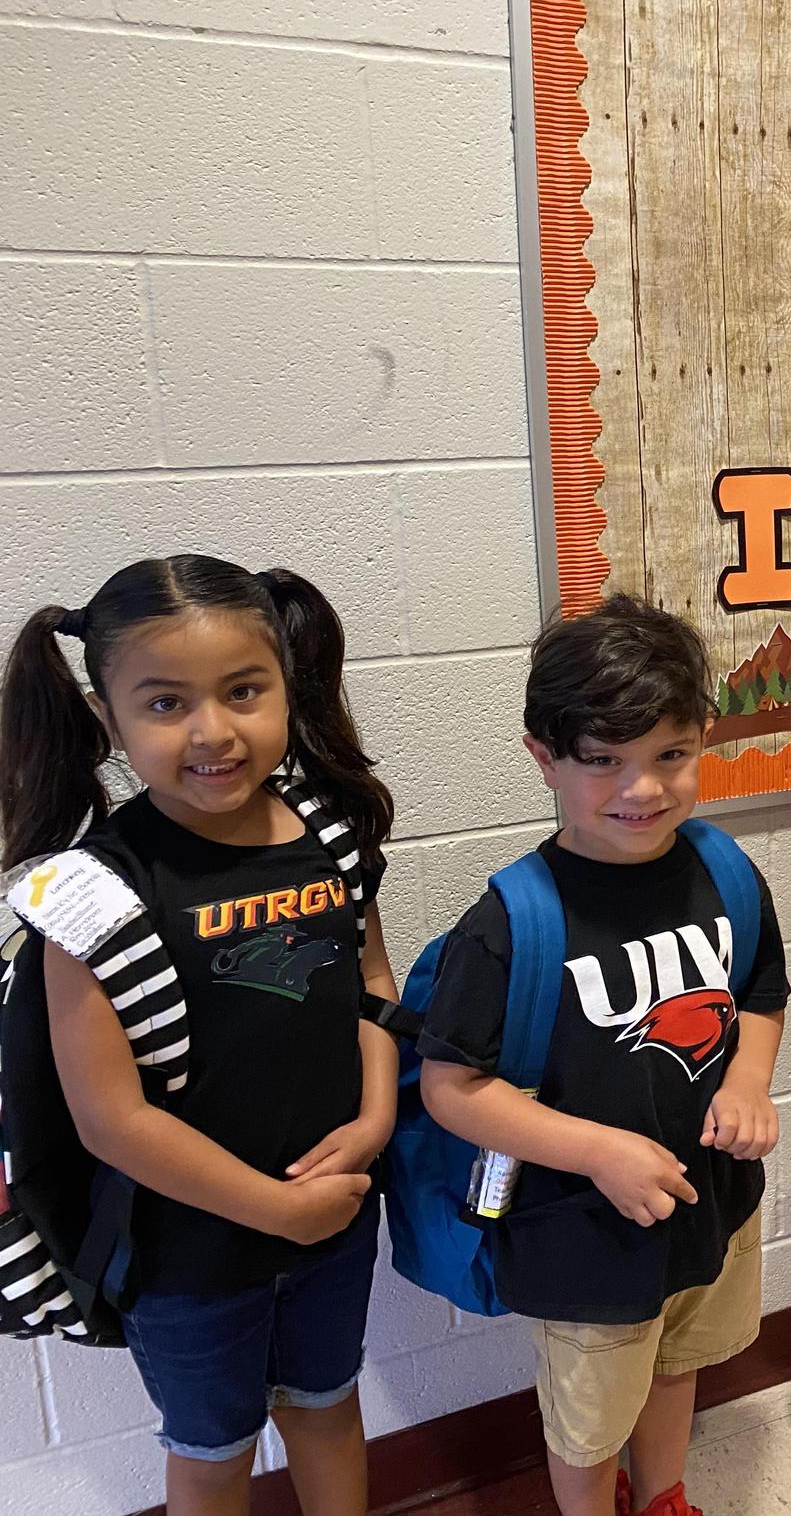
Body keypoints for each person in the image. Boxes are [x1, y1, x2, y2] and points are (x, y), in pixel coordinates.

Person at [1, 557, 397, 1516]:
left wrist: (377, 1114)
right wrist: (271, 1208)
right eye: (167, 702)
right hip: (187, 1258)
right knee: (214, 1452)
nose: (212, 731)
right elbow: (111, 1122)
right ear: (109, 717)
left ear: (284, 690)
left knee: (328, 1408)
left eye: (242, 691)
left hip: (333, 1220)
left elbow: (372, 988)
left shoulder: (329, 832)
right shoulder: (90, 896)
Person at [416, 598, 789, 1516]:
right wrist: (594, 1150)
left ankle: (664, 1498)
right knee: (588, 1423)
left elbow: (762, 995)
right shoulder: (512, 925)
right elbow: (453, 1088)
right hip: (582, 1229)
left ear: (704, 735)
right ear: (545, 756)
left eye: (670, 754)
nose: (644, 788)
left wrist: (748, 1081)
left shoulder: (726, 874)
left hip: (708, 1201)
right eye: (605, 762)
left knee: (675, 1366)